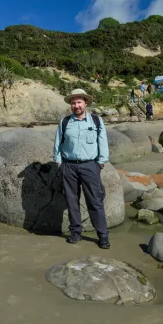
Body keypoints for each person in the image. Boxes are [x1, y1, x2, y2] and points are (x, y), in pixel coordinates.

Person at [53, 89, 110, 249]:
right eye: (73, 103)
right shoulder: (64, 122)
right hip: (69, 166)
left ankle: (103, 236)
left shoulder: (96, 121)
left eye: (79, 102)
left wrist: (101, 162)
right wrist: (58, 161)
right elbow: (58, 143)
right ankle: (76, 232)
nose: (76, 105)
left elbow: (103, 142)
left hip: (90, 166)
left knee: (95, 202)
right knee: (72, 202)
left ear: (86, 103)